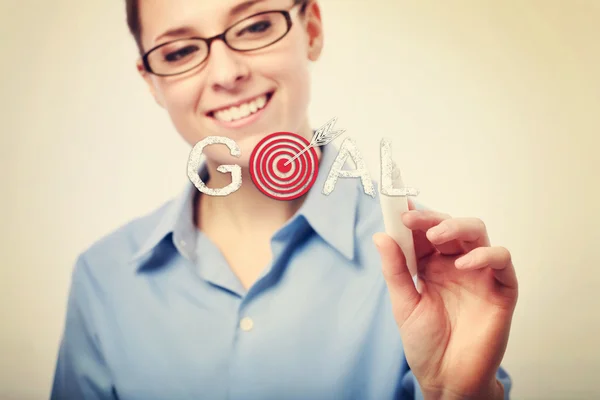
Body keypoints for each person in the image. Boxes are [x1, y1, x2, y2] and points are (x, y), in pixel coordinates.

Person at [50, 0, 518, 399]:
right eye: (179, 51)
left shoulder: (426, 265)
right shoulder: (103, 279)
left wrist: (459, 395)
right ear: (152, 81)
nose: (229, 73)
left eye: (255, 26)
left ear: (311, 29)